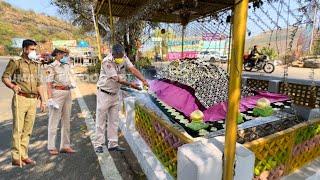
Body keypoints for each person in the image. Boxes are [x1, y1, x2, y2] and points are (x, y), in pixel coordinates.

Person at [95, 44, 149, 153]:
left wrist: (144, 80)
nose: (120, 58)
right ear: (113, 54)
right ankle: (98, 144)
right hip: (104, 94)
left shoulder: (124, 57)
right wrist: (131, 85)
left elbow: (133, 69)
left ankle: (113, 144)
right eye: (118, 56)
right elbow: (116, 78)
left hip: (115, 94)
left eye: (122, 55)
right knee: (101, 120)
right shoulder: (107, 61)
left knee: (114, 120)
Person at [2, 39, 46, 166]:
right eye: (32, 49)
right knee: (18, 129)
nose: (34, 52)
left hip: (33, 100)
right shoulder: (16, 62)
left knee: (28, 130)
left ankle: (24, 155)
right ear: (25, 49)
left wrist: (43, 100)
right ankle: (16, 158)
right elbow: (5, 77)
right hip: (20, 98)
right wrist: (12, 86)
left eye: (34, 49)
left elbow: (39, 84)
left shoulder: (36, 64)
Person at [46, 48, 75, 155]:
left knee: (66, 120)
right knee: (54, 120)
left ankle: (65, 146)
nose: (66, 56)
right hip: (57, 93)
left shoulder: (66, 65)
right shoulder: (51, 67)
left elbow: (69, 78)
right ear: (58, 54)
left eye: (67, 54)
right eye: (64, 54)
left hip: (68, 93)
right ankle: (51, 146)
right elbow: (48, 83)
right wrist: (49, 98)